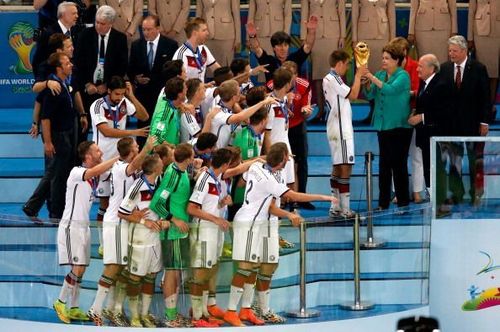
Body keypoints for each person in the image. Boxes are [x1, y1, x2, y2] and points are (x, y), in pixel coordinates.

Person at [223, 142, 335, 327]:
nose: (288, 160)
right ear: (282, 160)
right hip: (249, 223)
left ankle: (247, 309)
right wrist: (324, 197)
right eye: (287, 157)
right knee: (245, 267)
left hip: (262, 223)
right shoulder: (268, 178)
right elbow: (293, 197)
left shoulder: (257, 165)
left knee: (258, 266)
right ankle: (230, 311)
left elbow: (247, 181)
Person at [87, 137, 154, 326]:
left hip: (125, 221)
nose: (139, 147)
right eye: (136, 146)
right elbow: (134, 165)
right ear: (131, 152)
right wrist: (148, 147)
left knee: (120, 268)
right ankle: (95, 309)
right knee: (113, 266)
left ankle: (110, 308)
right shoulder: (120, 167)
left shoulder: (131, 168)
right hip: (116, 222)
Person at [53, 141, 117, 324]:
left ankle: (73, 307)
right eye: (97, 150)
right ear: (88, 156)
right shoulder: (76, 172)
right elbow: (95, 171)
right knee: (77, 267)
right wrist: (117, 156)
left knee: (82, 269)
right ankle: (60, 302)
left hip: (84, 227)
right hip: (71, 226)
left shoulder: (96, 175)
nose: (101, 152)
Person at [89, 76, 149, 254]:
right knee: (105, 203)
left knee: (124, 202)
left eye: (122, 93)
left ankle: (123, 239)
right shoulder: (98, 105)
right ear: (108, 91)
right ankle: (103, 242)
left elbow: (144, 115)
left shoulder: (124, 101)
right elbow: (105, 130)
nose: (119, 97)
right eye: (117, 94)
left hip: (123, 162)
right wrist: (134, 132)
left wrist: (131, 96)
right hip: (104, 161)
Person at [117, 154, 169, 328]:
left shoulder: (159, 181)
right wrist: (143, 221)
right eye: (161, 163)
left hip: (155, 238)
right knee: (135, 277)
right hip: (139, 237)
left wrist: (162, 219)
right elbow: (122, 212)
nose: (163, 164)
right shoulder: (138, 186)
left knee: (151, 276)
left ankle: (145, 314)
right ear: (154, 168)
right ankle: (134, 316)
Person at [438, 35, 490, 206]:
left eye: (454, 51)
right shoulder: (444, 68)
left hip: (473, 124)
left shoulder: (478, 68)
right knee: (454, 161)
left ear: (464, 51)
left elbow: (485, 98)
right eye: (449, 51)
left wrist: (484, 122)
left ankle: (477, 194)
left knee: (475, 160)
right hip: (451, 125)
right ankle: (457, 194)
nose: (450, 54)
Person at [149, 143, 195, 328]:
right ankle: (169, 316)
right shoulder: (172, 175)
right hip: (172, 232)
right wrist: (174, 219)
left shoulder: (182, 172)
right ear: (188, 158)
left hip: (180, 232)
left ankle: (173, 313)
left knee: (176, 273)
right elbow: (157, 204)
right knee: (172, 272)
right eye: (193, 156)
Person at [187, 148, 234, 327]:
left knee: (208, 271)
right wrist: (216, 218)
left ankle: (203, 312)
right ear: (224, 165)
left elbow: (208, 206)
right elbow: (192, 208)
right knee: (200, 274)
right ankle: (197, 317)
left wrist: (222, 203)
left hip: (213, 231)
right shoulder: (205, 179)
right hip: (203, 231)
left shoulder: (215, 181)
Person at [363, 43, 413, 210]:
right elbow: (371, 94)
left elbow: (390, 90)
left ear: (397, 60)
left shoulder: (403, 75)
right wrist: (367, 83)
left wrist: (371, 78)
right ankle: (383, 202)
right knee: (384, 165)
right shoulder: (380, 74)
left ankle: (403, 201)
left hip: (399, 126)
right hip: (383, 125)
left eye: (387, 58)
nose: (383, 61)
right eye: (382, 58)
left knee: (399, 165)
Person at [29, 53, 78, 219]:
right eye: (67, 63)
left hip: (64, 134)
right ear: (59, 68)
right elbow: (46, 118)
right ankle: (54, 211)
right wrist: (48, 142)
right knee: (56, 175)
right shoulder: (54, 87)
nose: (71, 65)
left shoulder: (62, 83)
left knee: (54, 172)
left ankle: (33, 206)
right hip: (58, 136)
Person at [74, 5, 128, 142]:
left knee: (108, 128)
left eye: (102, 23)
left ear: (110, 23)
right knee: (82, 129)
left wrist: (107, 86)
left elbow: (121, 67)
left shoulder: (120, 39)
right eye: (96, 22)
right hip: (87, 90)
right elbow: (78, 63)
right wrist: (87, 84)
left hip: (108, 92)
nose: (98, 26)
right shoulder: (84, 35)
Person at [407, 54, 452, 212]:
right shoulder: (424, 83)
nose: (417, 69)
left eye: (421, 66)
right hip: (425, 136)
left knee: (436, 168)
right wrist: (415, 113)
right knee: (428, 168)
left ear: (432, 68)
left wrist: (422, 117)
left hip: (436, 136)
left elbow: (446, 111)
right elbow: (423, 105)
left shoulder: (442, 84)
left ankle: (440, 203)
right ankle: (433, 202)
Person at [324, 50, 363, 218]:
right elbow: (353, 95)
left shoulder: (331, 79)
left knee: (338, 166)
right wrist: (359, 75)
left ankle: (336, 207)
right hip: (340, 129)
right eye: (347, 64)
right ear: (339, 63)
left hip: (336, 126)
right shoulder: (333, 78)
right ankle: (345, 209)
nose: (347, 68)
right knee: (346, 167)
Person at [128, 15, 178, 147]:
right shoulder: (136, 45)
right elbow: (130, 68)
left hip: (162, 96)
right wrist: (136, 78)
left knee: (161, 129)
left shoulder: (170, 45)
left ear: (158, 29)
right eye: (143, 29)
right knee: (144, 130)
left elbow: (172, 72)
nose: (146, 32)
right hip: (143, 97)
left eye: (149, 29)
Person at [390, 36, 425, 203]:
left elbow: (422, 91)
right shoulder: (390, 68)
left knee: (417, 155)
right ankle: (399, 192)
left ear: (404, 52)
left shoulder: (417, 67)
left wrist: (407, 93)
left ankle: (418, 191)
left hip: (413, 115)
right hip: (396, 118)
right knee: (397, 156)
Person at [300, 0, 345, 122]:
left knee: (333, 75)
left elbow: (341, 11)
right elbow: (305, 11)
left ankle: (335, 110)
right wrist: (304, 36)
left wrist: (342, 35)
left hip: (333, 33)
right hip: (315, 35)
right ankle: (320, 110)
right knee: (318, 75)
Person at [246, 15, 318, 82]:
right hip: (273, 95)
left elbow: (308, 45)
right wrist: (252, 36)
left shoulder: (295, 58)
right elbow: (257, 49)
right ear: (273, 48)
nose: (283, 48)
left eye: (285, 45)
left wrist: (311, 31)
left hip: (294, 94)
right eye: (279, 45)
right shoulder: (269, 61)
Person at [209, 79, 275, 149]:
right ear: (234, 98)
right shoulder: (219, 112)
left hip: (228, 151)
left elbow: (245, 119)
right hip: (217, 154)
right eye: (239, 93)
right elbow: (241, 117)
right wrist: (263, 102)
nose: (241, 95)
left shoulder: (229, 106)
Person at [468, 0, 500, 116]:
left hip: (498, 31)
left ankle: (490, 107)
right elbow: (471, 11)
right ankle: (482, 106)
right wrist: (470, 37)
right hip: (480, 32)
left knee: (494, 72)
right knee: (483, 72)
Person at [32, 1, 80, 77]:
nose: (77, 16)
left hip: (74, 81)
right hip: (53, 81)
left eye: (77, 13)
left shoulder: (77, 32)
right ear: (63, 15)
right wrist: (43, 82)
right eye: (73, 13)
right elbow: (38, 62)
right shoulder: (48, 34)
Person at [351, 0, 396, 74]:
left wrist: (392, 39)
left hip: (383, 35)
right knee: (363, 70)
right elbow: (354, 15)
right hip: (363, 35)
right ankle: (365, 85)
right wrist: (354, 39)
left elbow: (392, 15)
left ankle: (380, 85)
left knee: (382, 68)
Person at [173, 17, 221, 81]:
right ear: (195, 33)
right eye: (204, 30)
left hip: (202, 89)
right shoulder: (181, 55)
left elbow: (218, 70)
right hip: (188, 90)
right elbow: (179, 84)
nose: (207, 33)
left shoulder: (203, 49)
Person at [196, 0, 241, 66]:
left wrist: (238, 38)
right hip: (206, 35)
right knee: (209, 68)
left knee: (225, 69)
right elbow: (198, 14)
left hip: (226, 35)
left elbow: (236, 14)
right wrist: (197, 36)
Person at [149, 77, 187, 146]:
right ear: (179, 94)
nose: (187, 90)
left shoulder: (172, 104)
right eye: (185, 89)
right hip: (161, 155)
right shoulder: (165, 112)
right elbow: (156, 136)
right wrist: (171, 147)